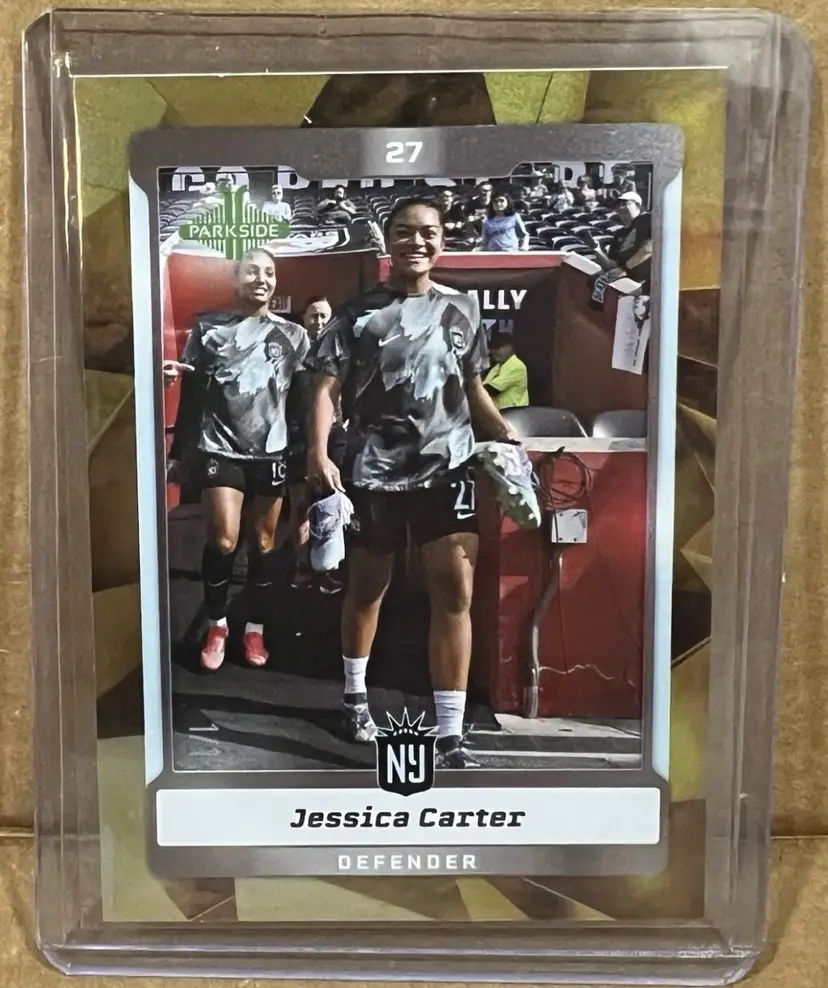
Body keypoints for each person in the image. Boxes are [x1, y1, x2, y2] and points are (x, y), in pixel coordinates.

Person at [307, 197, 518, 768]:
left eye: (427, 232)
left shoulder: (463, 308)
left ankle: (450, 735)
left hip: (446, 470)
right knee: (367, 588)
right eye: (403, 232)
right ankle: (354, 698)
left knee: (455, 594)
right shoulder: (356, 314)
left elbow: (471, 386)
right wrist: (318, 454)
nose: (416, 242)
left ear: (443, 240)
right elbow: (325, 390)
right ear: (388, 239)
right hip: (372, 472)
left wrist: (504, 433)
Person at [164, 248, 309, 671]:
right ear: (235, 278)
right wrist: (178, 453)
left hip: (271, 453)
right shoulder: (209, 330)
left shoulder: (294, 335)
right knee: (224, 541)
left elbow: (301, 403)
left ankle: (255, 629)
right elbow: (192, 395)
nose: (261, 279)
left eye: (269, 272)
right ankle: (217, 624)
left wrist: (304, 462)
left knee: (263, 544)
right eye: (252, 271)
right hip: (219, 448)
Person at [285, 296, 345, 593]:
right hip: (297, 439)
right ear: (304, 318)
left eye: (324, 316)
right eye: (314, 316)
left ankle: (326, 569)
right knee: (300, 504)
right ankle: (301, 566)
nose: (319, 322)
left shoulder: (341, 351)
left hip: (334, 437)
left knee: (330, 504)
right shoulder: (291, 353)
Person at [590, 190, 653, 289]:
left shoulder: (648, 220)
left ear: (638, 206)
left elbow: (649, 249)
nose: (620, 207)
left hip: (644, 282)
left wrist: (625, 268)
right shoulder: (620, 234)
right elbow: (612, 264)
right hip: (623, 282)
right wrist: (597, 250)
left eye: (625, 203)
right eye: (618, 204)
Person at [483, 334, 529, 409]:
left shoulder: (516, 365)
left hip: (514, 412)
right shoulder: (497, 366)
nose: (493, 351)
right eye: (491, 348)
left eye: (497, 348)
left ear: (509, 347)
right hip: (501, 412)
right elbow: (484, 386)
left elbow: (492, 390)